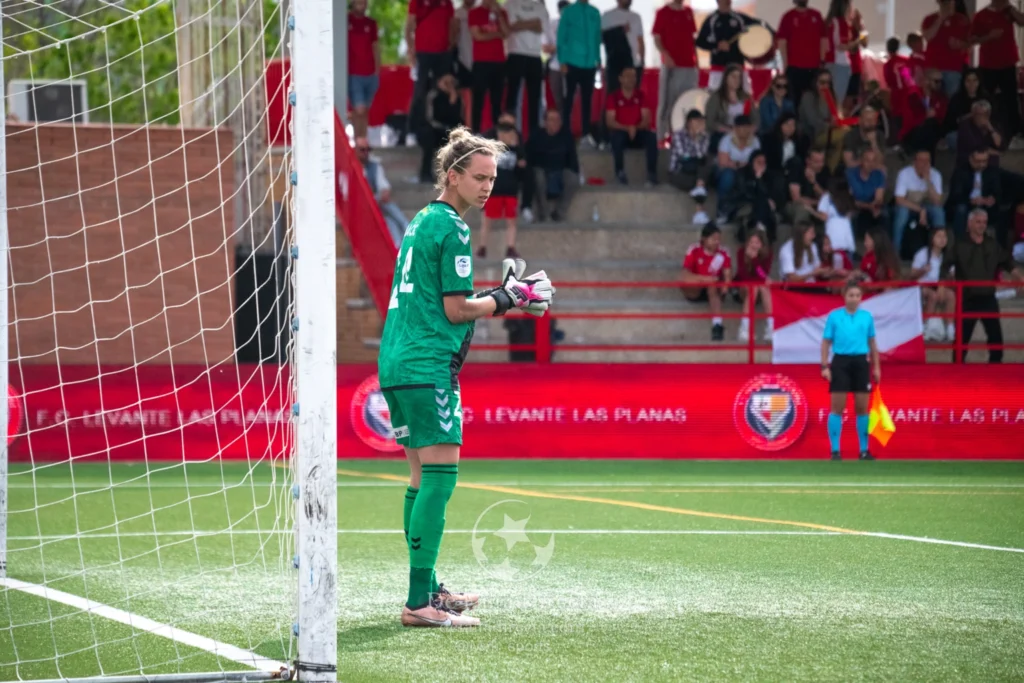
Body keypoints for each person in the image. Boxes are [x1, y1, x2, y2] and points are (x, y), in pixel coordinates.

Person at [379, 126, 554, 629]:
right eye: (479, 177)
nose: (487, 187)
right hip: (426, 365)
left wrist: (501, 292)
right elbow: (456, 311)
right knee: (440, 477)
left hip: (398, 362)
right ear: (452, 176)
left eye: (492, 179)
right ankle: (419, 603)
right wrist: (510, 299)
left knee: (419, 478)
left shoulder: (419, 222)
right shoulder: (453, 227)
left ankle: (427, 586)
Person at [942, 208, 1024, 363]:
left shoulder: (992, 244)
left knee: (996, 342)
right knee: (961, 343)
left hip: (988, 298)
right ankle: (956, 374)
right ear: (970, 223)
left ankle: (994, 373)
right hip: (968, 299)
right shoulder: (959, 244)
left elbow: (1006, 261)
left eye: (984, 222)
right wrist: (942, 283)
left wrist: (1018, 274)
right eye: (978, 222)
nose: (982, 225)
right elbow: (945, 265)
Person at [820, 278, 881, 461]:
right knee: (837, 406)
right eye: (851, 295)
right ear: (844, 296)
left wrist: (876, 367)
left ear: (861, 297)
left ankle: (864, 450)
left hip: (861, 362)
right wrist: (824, 365)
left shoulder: (867, 317)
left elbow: (872, 343)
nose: (854, 298)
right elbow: (825, 342)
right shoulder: (834, 316)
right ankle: (835, 450)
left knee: (862, 408)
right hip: (840, 362)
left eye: (857, 295)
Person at [970, 0, 1023, 140]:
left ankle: (1015, 131)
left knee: (1011, 98)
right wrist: (990, 37)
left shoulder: (1009, 12)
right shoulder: (981, 15)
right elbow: (973, 39)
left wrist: (1011, 10)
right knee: (986, 99)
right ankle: (984, 129)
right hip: (988, 64)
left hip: (1008, 63)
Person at [477, 121, 526, 258]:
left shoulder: (516, 150)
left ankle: (510, 247)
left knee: (511, 220)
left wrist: (517, 147)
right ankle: (483, 246)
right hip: (494, 189)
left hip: (510, 189)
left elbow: (522, 165)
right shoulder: (492, 149)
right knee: (487, 219)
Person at [558, 0, 603, 148]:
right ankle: (565, 133)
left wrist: (598, 59)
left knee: (587, 100)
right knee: (569, 99)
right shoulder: (569, 11)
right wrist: (562, 60)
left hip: (590, 64)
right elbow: (561, 37)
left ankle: (585, 135)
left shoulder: (595, 12)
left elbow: (597, 38)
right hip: (571, 61)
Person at [652, 0, 699, 139]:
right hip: (671, 65)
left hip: (689, 66)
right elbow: (656, 38)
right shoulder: (663, 12)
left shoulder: (688, 12)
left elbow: (692, 39)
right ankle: (661, 136)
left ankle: (683, 136)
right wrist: (665, 55)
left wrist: (697, 62)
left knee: (686, 102)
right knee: (667, 102)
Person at [604, 66, 658, 187]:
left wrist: (635, 127)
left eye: (633, 76)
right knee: (616, 137)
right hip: (621, 132)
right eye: (627, 76)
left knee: (652, 137)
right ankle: (620, 172)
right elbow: (610, 121)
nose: (631, 79)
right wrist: (627, 128)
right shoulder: (613, 97)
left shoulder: (641, 95)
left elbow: (646, 119)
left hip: (638, 132)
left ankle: (652, 174)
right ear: (621, 79)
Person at [504, 0, 549, 138]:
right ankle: (509, 132)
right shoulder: (509, 4)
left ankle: (534, 136)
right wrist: (532, 23)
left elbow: (541, 27)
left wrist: (521, 23)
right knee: (512, 98)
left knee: (535, 99)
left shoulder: (540, 6)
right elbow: (510, 26)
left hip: (535, 55)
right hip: (515, 53)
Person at [526, 108, 580, 221]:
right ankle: (544, 213)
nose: (555, 123)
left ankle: (559, 213)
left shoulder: (567, 136)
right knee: (537, 177)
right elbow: (529, 158)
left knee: (573, 178)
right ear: (545, 122)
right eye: (551, 120)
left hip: (560, 170)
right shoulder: (536, 136)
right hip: (542, 169)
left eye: (557, 120)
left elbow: (573, 159)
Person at [682, 224, 734, 341]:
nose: (717, 242)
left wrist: (725, 286)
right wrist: (706, 279)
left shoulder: (723, 251)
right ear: (704, 239)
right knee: (686, 280)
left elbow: (728, 275)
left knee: (712, 285)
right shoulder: (694, 249)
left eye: (718, 239)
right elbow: (685, 275)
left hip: (715, 290)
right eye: (713, 239)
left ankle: (717, 324)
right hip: (696, 289)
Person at [695, 0, 762, 90]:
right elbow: (700, 42)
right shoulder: (711, 20)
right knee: (716, 98)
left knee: (743, 98)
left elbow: (759, 26)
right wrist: (717, 45)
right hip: (718, 67)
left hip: (737, 67)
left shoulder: (740, 18)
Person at [355, 137, 409, 247]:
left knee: (390, 218)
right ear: (355, 150)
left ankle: (401, 241)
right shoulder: (351, 168)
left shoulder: (374, 166)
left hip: (376, 202)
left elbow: (383, 186)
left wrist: (384, 193)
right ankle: (405, 234)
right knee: (388, 217)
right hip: (359, 206)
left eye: (368, 149)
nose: (366, 153)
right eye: (362, 150)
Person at [893, 149, 945, 257]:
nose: (925, 164)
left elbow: (938, 201)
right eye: (921, 161)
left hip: (927, 207)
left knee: (938, 212)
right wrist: (921, 210)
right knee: (902, 213)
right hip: (909, 207)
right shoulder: (904, 173)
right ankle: (895, 253)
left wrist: (928, 181)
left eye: (927, 161)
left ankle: (937, 252)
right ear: (914, 162)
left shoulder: (936, 175)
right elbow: (899, 200)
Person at [777, 0, 827, 109]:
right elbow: (782, 42)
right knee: (794, 99)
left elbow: (823, 39)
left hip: (814, 67)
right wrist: (786, 65)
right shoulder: (788, 17)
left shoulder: (816, 15)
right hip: (795, 67)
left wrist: (822, 60)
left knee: (813, 100)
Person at [469, 0, 509, 133]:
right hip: (481, 62)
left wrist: (499, 15)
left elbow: (506, 33)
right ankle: (475, 133)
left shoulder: (502, 13)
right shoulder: (475, 12)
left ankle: (497, 134)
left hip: (499, 62)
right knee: (478, 100)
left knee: (497, 101)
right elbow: (478, 35)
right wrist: (496, 34)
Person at [406, 0, 456, 106]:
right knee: (420, 88)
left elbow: (451, 23)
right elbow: (409, 27)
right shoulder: (416, 2)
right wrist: (411, 50)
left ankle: (442, 118)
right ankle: (416, 120)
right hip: (423, 52)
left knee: (445, 86)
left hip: (443, 52)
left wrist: (451, 43)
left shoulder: (447, 3)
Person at [911, 226, 956, 342]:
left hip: (940, 286)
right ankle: (924, 327)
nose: (942, 239)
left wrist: (947, 281)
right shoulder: (923, 253)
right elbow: (912, 275)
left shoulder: (948, 256)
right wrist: (923, 271)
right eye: (939, 236)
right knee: (933, 296)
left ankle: (950, 328)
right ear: (932, 239)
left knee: (951, 295)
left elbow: (951, 278)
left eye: (944, 236)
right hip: (923, 287)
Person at [668, 109, 712, 226]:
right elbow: (684, 156)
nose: (698, 123)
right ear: (688, 122)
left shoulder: (705, 136)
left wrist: (697, 138)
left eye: (700, 121)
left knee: (706, 165)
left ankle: (699, 211)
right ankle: (700, 211)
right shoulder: (678, 135)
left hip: (696, 172)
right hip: (679, 171)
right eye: (696, 121)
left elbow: (702, 155)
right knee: (701, 177)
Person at [419, 73, 466, 184]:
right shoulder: (433, 96)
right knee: (428, 137)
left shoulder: (457, 98)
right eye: (446, 83)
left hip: (452, 130)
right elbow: (430, 118)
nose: (449, 85)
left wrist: (452, 102)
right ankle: (425, 173)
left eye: (451, 83)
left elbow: (458, 118)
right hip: (435, 129)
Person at [946, 148, 1001, 240]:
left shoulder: (992, 172)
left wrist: (992, 199)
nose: (982, 164)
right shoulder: (960, 172)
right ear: (970, 159)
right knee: (961, 209)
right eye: (978, 161)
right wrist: (971, 201)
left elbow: (997, 191)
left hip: (984, 206)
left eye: (984, 161)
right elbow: (955, 195)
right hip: (966, 205)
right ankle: (960, 241)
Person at [798, 69, 847, 170]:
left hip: (830, 132)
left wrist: (837, 121)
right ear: (815, 82)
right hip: (813, 134)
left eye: (828, 83)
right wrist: (830, 124)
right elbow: (812, 120)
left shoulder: (832, 96)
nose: (825, 85)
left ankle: (829, 170)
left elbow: (837, 115)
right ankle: (830, 170)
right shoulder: (808, 97)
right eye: (822, 82)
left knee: (841, 140)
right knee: (846, 134)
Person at [704, 64, 759, 154]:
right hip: (724, 133)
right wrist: (728, 130)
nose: (736, 80)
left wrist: (750, 130)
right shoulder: (716, 97)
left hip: (744, 132)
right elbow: (710, 121)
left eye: (739, 77)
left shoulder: (746, 97)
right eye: (733, 76)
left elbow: (756, 119)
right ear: (726, 78)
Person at [715, 114, 760, 223]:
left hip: (746, 172)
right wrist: (740, 164)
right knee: (728, 176)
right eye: (741, 127)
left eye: (747, 127)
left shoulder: (755, 141)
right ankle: (722, 210)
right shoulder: (727, 140)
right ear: (735, 128)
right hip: (725, 171)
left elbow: (757, 161)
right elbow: (723, 162)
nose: (744, 130)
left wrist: (738, 164)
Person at [922, 0, 971, 97]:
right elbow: (927, 37)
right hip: (933, 67)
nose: (947, 4)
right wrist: (940, 19)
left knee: (951, 100)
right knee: (932, 99)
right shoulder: (929, 19)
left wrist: (960, 44)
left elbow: (969, 43)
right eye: (944, 2)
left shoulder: (962, 20)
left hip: (953, 67)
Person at [734, 229, 774, 341]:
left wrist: (755, 260)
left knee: (762, 287)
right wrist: (749, 260)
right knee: (754, 287)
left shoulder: (767, 254)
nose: (753, 246)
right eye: (751, 242)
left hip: (760, 287)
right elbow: (743, 275)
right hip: (743, 287)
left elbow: (763, 275)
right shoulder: (741, 252)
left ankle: (771, 327)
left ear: (762, 244)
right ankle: (744, 328)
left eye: (757, 243)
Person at [347, 0, 380, 139]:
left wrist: (377, 70)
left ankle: (363, 143)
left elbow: (375, 46)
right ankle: (358, 142)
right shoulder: (345, 21)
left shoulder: (371, 23)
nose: (361, 5)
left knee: (365, 111)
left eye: (364, 2)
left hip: (370, 74)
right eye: (358, 2)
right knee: (358, 110)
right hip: (353, 74)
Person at [824, 0, 861, 111]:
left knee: (830, 98)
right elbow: (841, 46)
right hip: (840, 64)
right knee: (837, 99)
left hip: (830, 62)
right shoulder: (841, 23)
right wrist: (857, 41)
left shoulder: (829, 22)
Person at [900, 68, 947, 156]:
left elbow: (941, 116)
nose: (939, 84)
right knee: (930, 124)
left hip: (931, 131)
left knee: (932, 125)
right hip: (913, 131)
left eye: (941, 81)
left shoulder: (940, 97)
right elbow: (913, 117)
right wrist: (926, 116)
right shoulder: (914, 94)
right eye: (936, 81)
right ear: (926, 81)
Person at [602, 0, 644, 95]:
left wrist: (642, 61)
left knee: (632, 96)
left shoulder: (636, 17)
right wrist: (619, 31)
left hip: (633, 63)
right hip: (614, 64)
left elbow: (640, 39)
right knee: (613, 96)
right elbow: (601, 38)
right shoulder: (607, 16)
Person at [736, 150, 778, 242]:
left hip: (762, 208)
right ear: (752, 162)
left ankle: (760, 229)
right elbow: (744, 193)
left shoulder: (769, 176)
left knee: (763, 203)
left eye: (764, 163)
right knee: (762, 202)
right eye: (759, 162)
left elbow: (771, 194)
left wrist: (759, 179)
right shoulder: (742, 173)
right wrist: (758, 179)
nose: (761, 165)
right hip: (745, 203)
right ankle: (760, 231)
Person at [943, 68, 989, 151]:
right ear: (963, 82)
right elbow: (950, 123)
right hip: (961, 133)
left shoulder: (986, 98)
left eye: (975, 80)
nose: (972, 84)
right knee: (952, 138)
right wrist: (972, 115)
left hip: (981, 132)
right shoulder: (956, 99)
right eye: (968, 81)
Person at [845, 147, 886, 237]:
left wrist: (875, 205)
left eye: (873, 161)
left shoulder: (878, 174)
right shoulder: (851, 174)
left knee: (884, 215)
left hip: (870, 205)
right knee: (850, 215)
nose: (870, 164)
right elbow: (849, 200)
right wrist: (869, 206)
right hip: (854, 205)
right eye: (867, 160)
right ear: (861, 161)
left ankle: (883, 246)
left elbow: (879, 198)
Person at [786, 147, 829, 225]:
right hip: (794, 205)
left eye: (822, 161)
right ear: (808, 161)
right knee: (803, 209)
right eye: (816, 162)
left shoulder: (824, 171)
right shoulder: (798, 169)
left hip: (815, 206)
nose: (820, 165)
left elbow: (827, 197)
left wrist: (813, 182)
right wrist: (818, 202)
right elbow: (796, 199)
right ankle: (799, 236)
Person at [818, 176, 857, 259]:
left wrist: (812, 211)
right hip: (846, 237)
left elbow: (823, 217)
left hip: (832, 235)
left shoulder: (827, 197)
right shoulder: (848, 197)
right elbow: (851, 214)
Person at [956, 100, 1003, 167]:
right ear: (973, 114)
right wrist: (987, 150)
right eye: (978, 114)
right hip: (968, 163)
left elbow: (998, 144)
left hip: (989, 164)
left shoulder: (993, 124)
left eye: (985, 114)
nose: (981, 117)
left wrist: (990, 128)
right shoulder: (965, 125)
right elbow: (973, 146)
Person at [840, 104, 887, 172]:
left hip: (873, 168)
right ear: (860, 121)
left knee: (883, 169)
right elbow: (849, 163)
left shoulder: (880, 135)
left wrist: (874, 142)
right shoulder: (850, 135)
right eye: (867, 120)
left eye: (873, 120)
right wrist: (866, 162)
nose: (870, 122)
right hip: (856, 169)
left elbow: (881, 161)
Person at [779, 220, 827, 285]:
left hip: (812, 285)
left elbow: (817, 268)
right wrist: (812, 274)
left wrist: (830, 271)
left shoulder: (813, 246)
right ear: (802, 234)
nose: (814, 236)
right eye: (811, 233)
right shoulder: (786, 250)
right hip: (794, 288)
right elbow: (792, 279)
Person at [543, 1, 569, 114]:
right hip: (555, 66)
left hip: (572, 66)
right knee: (556, 100)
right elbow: (545, 48)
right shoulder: (552, 24)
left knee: (570, 99)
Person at [452, 0, 477, 91]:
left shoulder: (479, 12)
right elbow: (453, 37)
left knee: (477, 90)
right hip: (462, 56)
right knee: (461, 88)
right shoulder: (457, 13)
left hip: (479, 57)